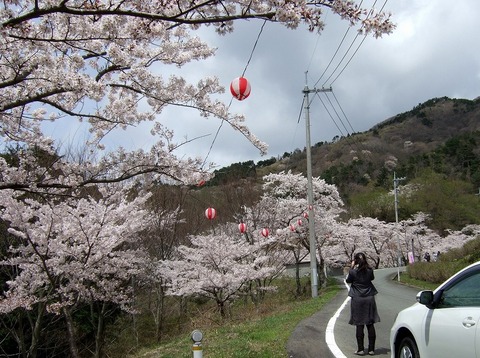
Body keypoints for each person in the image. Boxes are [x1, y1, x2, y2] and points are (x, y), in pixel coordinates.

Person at [346, 252, 380, 356]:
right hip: (369, 298)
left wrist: (352, 267)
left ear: (355, 260)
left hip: (357, 299)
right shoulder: (370, 270)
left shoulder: (353, 272)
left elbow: (348, 280)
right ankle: (371, 349)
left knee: (359, 324)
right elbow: (372, 278)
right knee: (370, 323)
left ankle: (360, 349)